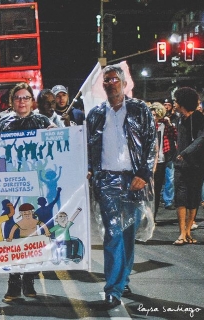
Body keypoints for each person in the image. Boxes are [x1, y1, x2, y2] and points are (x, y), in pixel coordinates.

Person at [87, 64, 155, 309]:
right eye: (106, 80)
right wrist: (91, 170)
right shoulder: (96, 114)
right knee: (113, 234)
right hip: (107, 182)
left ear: (124, 83)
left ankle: (122, 278)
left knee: (127, 235)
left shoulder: (139, 110)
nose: (110, 83)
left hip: (133, 181)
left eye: (114, 79)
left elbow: (150, 142)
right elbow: (89, 147)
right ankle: (113, 289)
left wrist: (144, 173)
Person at [0, 82, 52, 301]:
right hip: (11, 185)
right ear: (12, 101)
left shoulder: (43, 121)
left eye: (26, 98)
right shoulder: (2, 122)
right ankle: (14, 281)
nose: (22, 102)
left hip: (35, 185)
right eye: (18, 98)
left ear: (32, 101)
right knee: (14, 231)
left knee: (31, 231)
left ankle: (30, 278)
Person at [172, 87, 204, 246]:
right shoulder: (179, 119)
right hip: (180, 165)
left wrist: (185, 152)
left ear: (182, 102)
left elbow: (201, 138)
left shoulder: (198, 117)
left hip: (196, 164)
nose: (174, 103)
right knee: (180, 198)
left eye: (176, 100)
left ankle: (189, 231)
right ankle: (182, 233)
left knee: (193, 198)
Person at [149, 102, 177, 221]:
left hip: (161, 160)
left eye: (156, 115)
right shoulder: (148, 125)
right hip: (149, 162)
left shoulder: (165, 125)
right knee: (148, 191)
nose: (154, 117)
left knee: (157, 188)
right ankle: (147, 217)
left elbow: (175, 135)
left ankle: (153, 216)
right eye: (152, 115)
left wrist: (169, 123)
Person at [162, 97, 178, 210]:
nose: (166, 106)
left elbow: (176, 135)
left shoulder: (176, 118)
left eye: (168, 104)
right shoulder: (157, 120)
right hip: (158, 153)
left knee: (170, 178)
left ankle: (168, 200)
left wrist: (170, 124)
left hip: (170, 152)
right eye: (164, 104)